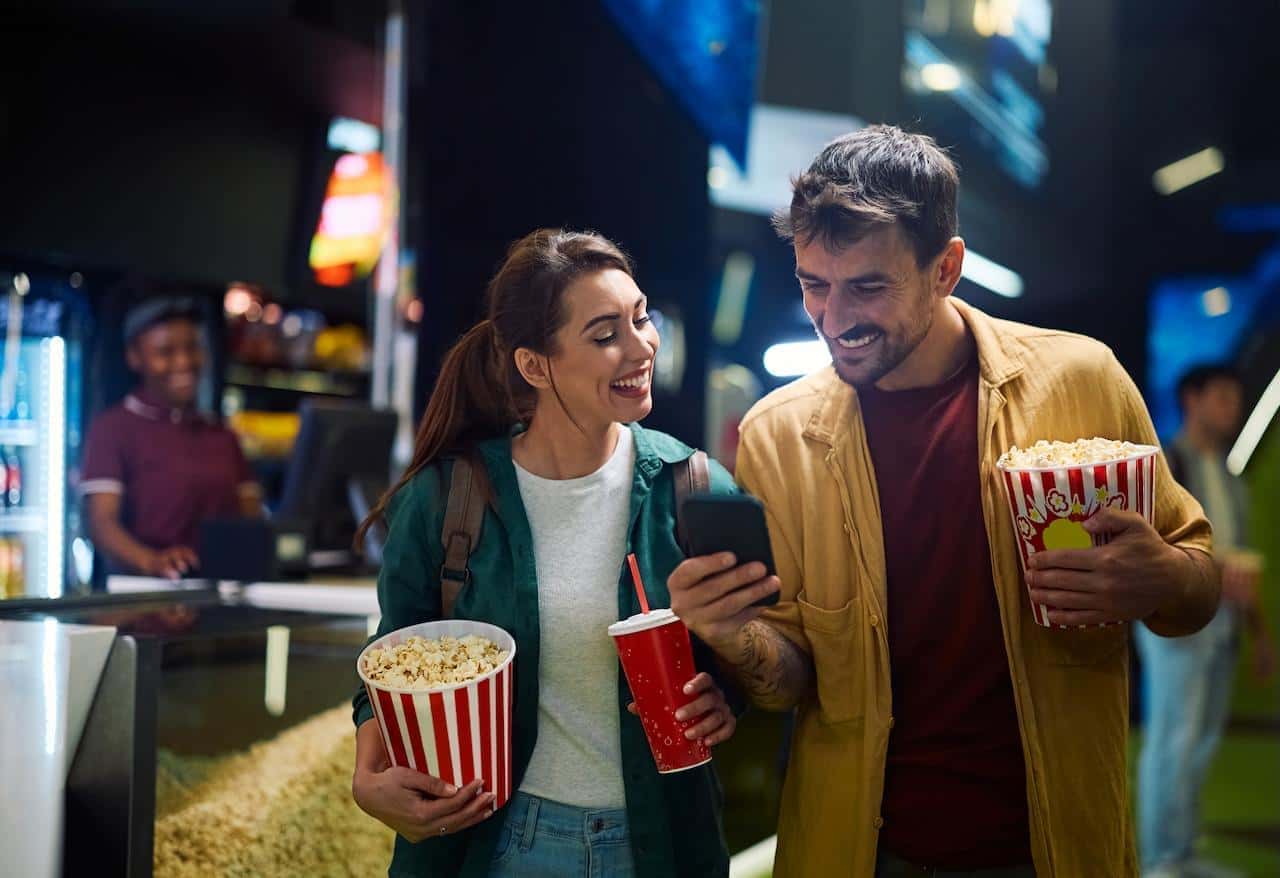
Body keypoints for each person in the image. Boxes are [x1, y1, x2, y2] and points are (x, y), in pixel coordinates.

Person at [667, 125, 1221, 877]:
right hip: (862, 851)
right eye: (812, 283)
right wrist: (730, 634)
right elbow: (790, 676)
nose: (833, 319)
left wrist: (1161, 576)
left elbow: (1198, 583)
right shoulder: (778, 435)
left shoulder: (1083, 382)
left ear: (946, 268)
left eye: (867, 286)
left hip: (1058, 844)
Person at [350, 230, 741, 878]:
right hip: (494, 845)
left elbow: (759, 649)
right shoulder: (448, 499)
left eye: (642, 317)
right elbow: (396, 653)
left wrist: (724, 694)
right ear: (534, 365)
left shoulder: (693, 488)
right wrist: (369, 773)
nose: (642, 345)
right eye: (605, 333)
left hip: (661, 842)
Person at [1135, 364, 1274, 878]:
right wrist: (1218, 568)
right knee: (1172, 736)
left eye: (1234, 399)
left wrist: (1260, 634)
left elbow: (1240, 558)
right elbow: (1150, 549)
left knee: (1204, 738)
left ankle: (1184, 847)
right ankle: (1160, 859)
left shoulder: (1230, 474)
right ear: (1191, 399)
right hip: (1174, 622)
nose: (1231, 408)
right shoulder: (1165, 466)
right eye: (1220, 397)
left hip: (1224, 626)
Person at [81, 297, 262, 580]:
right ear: (134, 357)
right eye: (166, 352)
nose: (184, 362)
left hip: (220, 598)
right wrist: (153, 562)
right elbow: (101, 524)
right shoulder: (113, 429)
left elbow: (253, 521)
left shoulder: (222, 436)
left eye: (192, 348)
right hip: (142, 599)